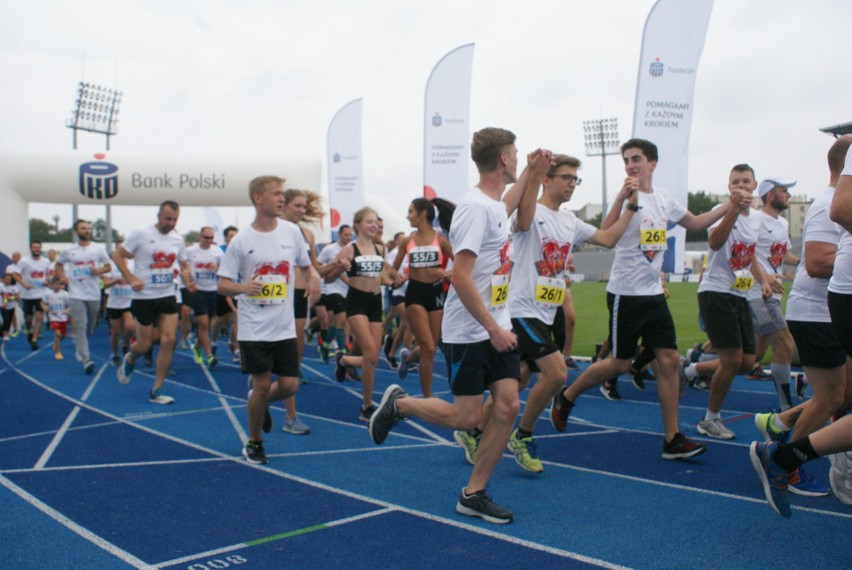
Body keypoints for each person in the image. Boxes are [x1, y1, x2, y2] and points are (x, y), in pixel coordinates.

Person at [369, 127, 550, 524]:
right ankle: (400, 404)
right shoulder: (473, 208)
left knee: (506, 406)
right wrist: (493, 328)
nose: (517, 158)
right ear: (502, 159)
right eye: (516, 154)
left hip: (495, 323)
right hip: (471, 331)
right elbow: (462, 277)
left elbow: (509, 207)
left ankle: (474, 492)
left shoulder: (492, 205)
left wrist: (533, 172)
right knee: (467, 420)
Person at [551, 138, 733, 459]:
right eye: (626, 160)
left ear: (652, 163)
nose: (631, 165)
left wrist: (729, 206)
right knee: (619, 363)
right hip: (626, 293)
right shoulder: (625, 197)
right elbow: (605, 235)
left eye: (636, 159)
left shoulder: (663, 199)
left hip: (653, 294)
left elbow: (695, 222)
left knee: (669, 360)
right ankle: (567, 395)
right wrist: (623, 197)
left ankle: (672, 438)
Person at [458, 153, 638, 473]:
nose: (572, 184)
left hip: (547, 310)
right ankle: (522, 436)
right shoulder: (532, 212)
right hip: (521, 309)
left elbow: (608, 239)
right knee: (556, 374)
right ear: (547, 180)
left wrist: (630, 205)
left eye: (575, 179)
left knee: (520, 378)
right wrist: (532, 173)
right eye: (566, 177)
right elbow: (523, 222)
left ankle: (473, 432)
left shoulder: (570, 221)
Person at [755, 136, 852, 497]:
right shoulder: (830, 203)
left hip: (824, 311)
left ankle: (779, 424)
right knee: (830, 398)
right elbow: (817, 262)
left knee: (839, 396)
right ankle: (786, 464)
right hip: (816, 312)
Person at [217, 175, 321, 464]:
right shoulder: (241, 240)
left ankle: (258, 403)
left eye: (282, 194)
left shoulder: (291, 232)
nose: (281, 200)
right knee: (262, 385)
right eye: (276, 194)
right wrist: (242, 287)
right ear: (258, 199)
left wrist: (314, 279)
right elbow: (222, 284)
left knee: (289, 386)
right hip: (253, 328)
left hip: (283, 325)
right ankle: (254, 442)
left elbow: (308, 266)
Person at [683, 164, 770, 440]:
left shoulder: (756, 219)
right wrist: (731, 209)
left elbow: (749, 254)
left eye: (746, 182)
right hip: (716, 292)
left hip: (740, 293)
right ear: (729, 187)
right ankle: (710, 419)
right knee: (731, 360)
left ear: (755, 186)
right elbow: (716, 242)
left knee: (747, 362)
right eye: (735, 183)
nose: (741, 187)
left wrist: (764, 280)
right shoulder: (724, 212)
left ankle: (691, 369)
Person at [113, 200, 196, 404]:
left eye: (175, 219)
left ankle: (157, 389)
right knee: (144, 343)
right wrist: (131, 278)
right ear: (158, 216)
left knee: (169, 340)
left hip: (168, 294)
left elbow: (183, 262)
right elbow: (117, 256)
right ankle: (131, 358)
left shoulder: (177, 238)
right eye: (168, 218)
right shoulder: (141, 233)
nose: (171, 223)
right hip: (144, 297)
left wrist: (187, 277)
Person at [326, 207, 394, 421]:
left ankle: (344, 360)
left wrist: (395, 280)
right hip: (356, 302)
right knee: (371, 354)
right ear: (358, 225)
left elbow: (382, 277)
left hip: (375, 302)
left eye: (376, 222)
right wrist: (339, 268)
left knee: (372, 358)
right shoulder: (349, 249)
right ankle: (366, 406)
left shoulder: (380, 250)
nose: (374, 226)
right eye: (369, 222)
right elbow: (329, 279)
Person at [391, 197, 455, 397]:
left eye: (410, 212)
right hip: (415, 293)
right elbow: (392, 269)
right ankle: (427, 397)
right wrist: (397, 278)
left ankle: (408, 358)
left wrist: (448, 274)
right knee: (427, 347)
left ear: (423, 214)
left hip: (436, 293)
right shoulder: (407, 241)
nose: (407, 216)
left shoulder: (441, 240)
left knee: (431, 347)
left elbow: (460, 265)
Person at [747, 177, 801, 410]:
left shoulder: (783, 224)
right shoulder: (755, 219)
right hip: (759, 294)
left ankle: (695, 366)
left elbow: (782, 256)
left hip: (774, 295)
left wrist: (803, 261)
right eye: (784, 190)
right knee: (785, 345)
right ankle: (785, 405)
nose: (788, 195)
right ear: (770, 195)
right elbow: (746, 251)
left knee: (752, 357)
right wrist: (764, 278)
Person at [280, 188, 325, 434]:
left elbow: (314, 268)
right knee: (271, 357)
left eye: (303, 207)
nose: (301, 211)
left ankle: (290, 415)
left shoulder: (306, 234)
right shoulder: (271, 231)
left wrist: (336, 268)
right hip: (273, 298)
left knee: (293, 355)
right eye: (297, 206)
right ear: (283, 205)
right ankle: (261, 393)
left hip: (297, 297)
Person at [54, 220, 112, 374]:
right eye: (83, 228)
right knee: (80, 325)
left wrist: (98, 271)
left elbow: (108, 266)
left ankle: (80, 348)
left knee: (89, 327)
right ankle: (87, 359)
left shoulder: (98, 248)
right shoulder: (68, 249)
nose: (86, 230)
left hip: (93, 294)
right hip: (76, 294)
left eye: (88, 228)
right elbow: (58, 265)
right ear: (76, 231)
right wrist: (61, 278)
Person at [185, 226, 225, 369]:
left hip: (212, 291)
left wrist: (218, 269)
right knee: (202, 323)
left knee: (208, 325)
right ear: (200, 237)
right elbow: (184, 267)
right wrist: (189, 281)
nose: (208, 241)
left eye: (211, 238)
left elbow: (226, 270)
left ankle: (197, 346)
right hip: (197, 290)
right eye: (205, 237)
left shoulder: (218, 251)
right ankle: (209, 356)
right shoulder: (190, 251)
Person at [315, 225, 353, 361]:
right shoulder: (329, 249)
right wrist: (330, 267)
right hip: (332, 287)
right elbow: (317, 265)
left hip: (347, 290)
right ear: (339, 235)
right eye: (346, 235)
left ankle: (325, 344)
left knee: (339, 321)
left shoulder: (353, 248)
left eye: (350, 235)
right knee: (341, 316)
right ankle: (342, 349)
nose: (348, 238)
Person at [13, 241, 52, 350]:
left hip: (40, 293)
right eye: (35, 247)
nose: (37, 249)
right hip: (27, 294)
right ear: (30, 248)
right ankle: (29, 331)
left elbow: (47, 274)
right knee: (28, 318)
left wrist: (47, 280)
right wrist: (23, 284)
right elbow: (15, 275)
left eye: (38, 247)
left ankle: (34, 339)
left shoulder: (46, 261)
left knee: (39, 317)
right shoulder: (24, 261)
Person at [103, 249, 135, 365]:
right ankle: (115, 355)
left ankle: (125, 343)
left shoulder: (133, 264)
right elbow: (105, 284)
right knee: (115, 331)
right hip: (114, 303)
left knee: (129, 327)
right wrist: (116, 281)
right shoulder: (111, 265)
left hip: (128, 301)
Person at [41, 277, 71, 360]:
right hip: (53, 317)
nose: (57, 286)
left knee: (63, 335)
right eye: (55, 284)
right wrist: (45, 308)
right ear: (52, 285)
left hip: (63, 317)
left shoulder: (65, 294)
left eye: (59, 284)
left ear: (61, 286)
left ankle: (56, 344)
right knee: (57, 334)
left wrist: (68, 310)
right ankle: (57, 352)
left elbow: (69, 305)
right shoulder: (48, 294)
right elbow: (42, 303)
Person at [0, 273, 21, 342]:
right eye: (6, 279)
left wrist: (10, 298)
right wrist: (6, 301)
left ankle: (3, 332)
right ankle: (5, 335)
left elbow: (18, 297)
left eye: (9, 279)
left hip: (11, 306)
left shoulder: (14, 287)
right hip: (2, 306)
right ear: (3, 279)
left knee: (8, 321)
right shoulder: (1, 286)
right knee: (6, 320)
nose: (7, 280)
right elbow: (4, 296)